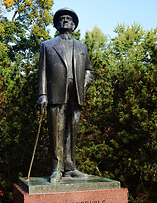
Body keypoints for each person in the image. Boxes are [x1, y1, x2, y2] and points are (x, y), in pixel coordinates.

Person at [38, 8, 93, 182]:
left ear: (74, 25)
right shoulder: (47, 45)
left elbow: (89, 71)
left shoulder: (82, 47)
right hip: (55, 93)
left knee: (72, 130)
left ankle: (70, 167)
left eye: (69, 19)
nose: (66, 20)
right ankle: (56, 169)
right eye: (62, 18)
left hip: (76, 94)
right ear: (57, 24)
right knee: (56, 131)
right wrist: (42, 94)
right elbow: (42, 72)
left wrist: (83, 87)